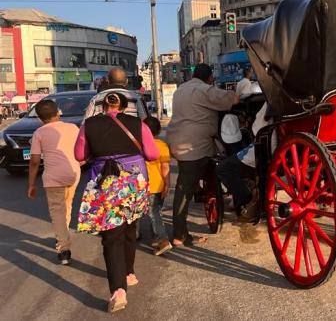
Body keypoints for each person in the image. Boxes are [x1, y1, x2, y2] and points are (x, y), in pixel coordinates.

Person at [74, 92, 160, 312]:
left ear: (103, 106)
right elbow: (152, 154)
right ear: (123, 107)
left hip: (105, 181)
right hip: (134, 180)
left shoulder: (89, 124)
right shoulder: (138, 124)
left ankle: (118, 291)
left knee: (112, 235)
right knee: (130, 226)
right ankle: (129, 273)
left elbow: (79, 154)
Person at [166, 64, 239, 247]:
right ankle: (179, 235)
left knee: (188, 183)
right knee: (184, 190)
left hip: (178, 142)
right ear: (209, 78)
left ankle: (201, 190)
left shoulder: (181, 90)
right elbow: (230, 100)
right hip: (194, 147)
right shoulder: (204, 90)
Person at [26, 99, 81, 265]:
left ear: (39, 118)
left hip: (53, 177)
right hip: (73, 173)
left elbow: (35, 161)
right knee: (67, 204)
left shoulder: (39, 133)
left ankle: (64, 249)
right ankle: (62, 236)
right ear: (58, 112)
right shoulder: (73, 128)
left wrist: (31, 184)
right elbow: (81, 149)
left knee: (57, 211)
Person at [215, 103, 272, 223]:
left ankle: (249, 200)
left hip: (266, 150)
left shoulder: (272, 102)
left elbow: (258, 128)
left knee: (222, 169)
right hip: (296, 148)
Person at [143, 117, 172, 256]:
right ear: (159, 130)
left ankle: (163, 240)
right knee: (156, 212)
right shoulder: (162, 145)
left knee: (154, 214)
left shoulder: (139, 146)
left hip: (147, 186)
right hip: (159, 184)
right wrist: (167, 184)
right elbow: (165, 167)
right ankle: (156, 238)